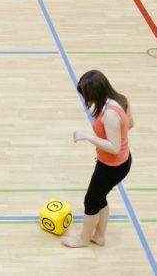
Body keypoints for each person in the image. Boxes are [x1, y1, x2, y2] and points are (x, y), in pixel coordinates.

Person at [63, 70, 133, 247]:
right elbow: (130, 124)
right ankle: (99, 236)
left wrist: (87, 136)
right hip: (118, 162)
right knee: (100, 197)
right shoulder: (120, 100)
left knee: (91, 201)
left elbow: (114, 147)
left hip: (112, 166)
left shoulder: (109, 114)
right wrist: (117, 134)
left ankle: (83, 239)